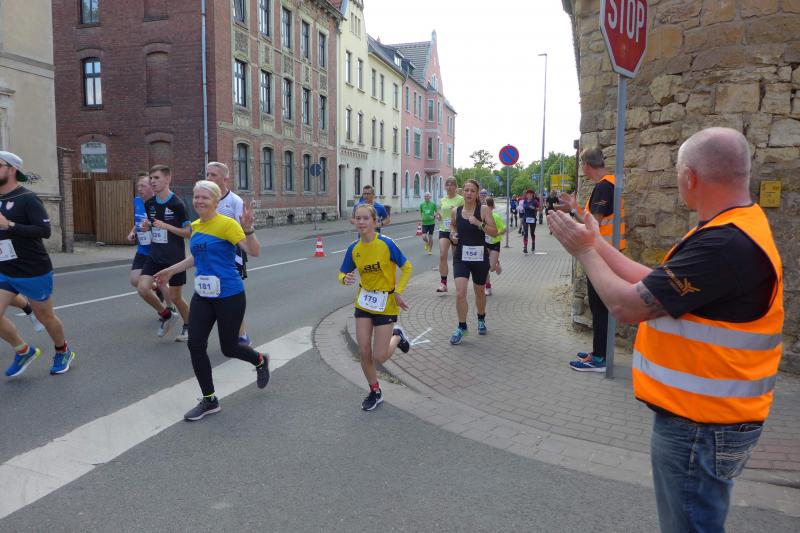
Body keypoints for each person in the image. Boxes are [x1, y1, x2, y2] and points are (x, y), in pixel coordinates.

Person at [549, 127, 783, 532]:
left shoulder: (723, 244)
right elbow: (655, 282)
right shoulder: (735, 228)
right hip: (708, 418)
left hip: (701, 426)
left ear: (690, 177)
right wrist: (598, 243)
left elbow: (626, 305)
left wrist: (584, 251)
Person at [154, 180, 268, 421]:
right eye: (196, 197)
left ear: (216, 201)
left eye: (205, 197)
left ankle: (259, 360)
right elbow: (196, 256)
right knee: (195, 344)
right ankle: (209, 399)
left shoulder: (227, 224)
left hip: (229, 295)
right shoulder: (196, 226)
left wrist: (248, 229)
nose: (199, 201)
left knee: (229, 348)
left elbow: (254, 251)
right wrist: (171, 270)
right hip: (203, 296)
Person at [0, 151, 76, 377]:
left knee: (45, 316)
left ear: (12, 169)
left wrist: (10, 225)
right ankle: (23, 351)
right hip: (5, 269)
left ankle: (63, 350)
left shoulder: (27, 198)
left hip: (32, 269)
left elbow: (44, 230)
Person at [339, 203, 412, 411]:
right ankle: (375, 391)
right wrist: (344, 279)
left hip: (386, 303)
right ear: (354, 221)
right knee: (363, 351)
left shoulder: (386, 244)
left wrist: (398, 291)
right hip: (364, 302)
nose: (361, 222)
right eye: (358, 218)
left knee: (379, 356)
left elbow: (407, 267)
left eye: (366, 218)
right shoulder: (354, 249)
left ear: (375, 221)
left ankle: (397, 336)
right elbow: (342, 273)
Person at [559, 147, 626, 371]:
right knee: (600, 306)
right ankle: (599, 352)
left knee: (599, 307)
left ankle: (599, 359)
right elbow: (593, 219)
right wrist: (574, 208)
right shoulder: (611, 184)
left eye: (581, 164)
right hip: (609, 253)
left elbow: (592, 225)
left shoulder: (604, 187)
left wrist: (570, 223)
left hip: (602, 255)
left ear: (586, 165)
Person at [138, 165, 192, 341]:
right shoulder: (149, 204)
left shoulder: (177, 204)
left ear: (168, 179)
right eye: (151, 178)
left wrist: (166, 226)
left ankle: (189, 326)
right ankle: (167, 314)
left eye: (157, 178)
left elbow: (188, 233)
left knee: (176, 297)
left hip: (174, 258)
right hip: (155, 255)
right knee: (142, 288)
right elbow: (154, 225)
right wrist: (147, 226)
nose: (153, 181)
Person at [205, 162, 252, 346]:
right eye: (207, 174)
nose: (209, 178)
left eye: (213, 175)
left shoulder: (235, 201)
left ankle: (242, 335)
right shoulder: (206, 200)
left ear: (225, 179)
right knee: (212, 293)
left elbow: (244, 231)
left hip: (233, 255)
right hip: (211, 255)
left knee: (231, 294)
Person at [448, 179, 497, 344]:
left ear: (477, 194)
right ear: (462, 192)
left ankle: (481, 319)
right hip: (461, 256)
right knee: (460, 293)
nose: (468, 193)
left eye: (472, 190)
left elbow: (494, 231)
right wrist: (452, 235)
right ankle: (462, 327)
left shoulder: (483, 210)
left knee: (480, 292)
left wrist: (479, 223)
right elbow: (452, 226)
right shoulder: (456, 211)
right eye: (466, 190)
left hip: (479, 257)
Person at [127, 173, 168, 311]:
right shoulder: (137, 201)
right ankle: (156, 288)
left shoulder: (158, 203)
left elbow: (163, 225)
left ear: (152, 187)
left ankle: (168, 308)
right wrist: (132, 232)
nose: (139, 189)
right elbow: (138, 221)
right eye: (138, 186)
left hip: (156, 250)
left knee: (159, 281)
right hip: (142, 249)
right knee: (134, 280)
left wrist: (150, 227)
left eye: (143, 186)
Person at [435, 177, 463, 293]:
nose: (449, 187)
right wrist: (438, 216)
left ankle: (459, 282)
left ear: (456, 187)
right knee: (442, 255)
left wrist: (457, 211)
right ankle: (443, 283)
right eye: (447, 184)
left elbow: (466, 213)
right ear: (445, 187)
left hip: (456, 230)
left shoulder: (461, 199)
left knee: (456, 257)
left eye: (452, 185)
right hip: (444, 229)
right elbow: (441, 213)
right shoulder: (443, 200)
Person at [483, 197, 505, 296]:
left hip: (495, 243)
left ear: (492, 207)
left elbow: (503, 229)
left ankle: (496, 263)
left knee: (491, 268)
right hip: (485, 243)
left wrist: (496, 233)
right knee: (484, 266)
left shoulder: (495, 216)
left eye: (487, 206)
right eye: (484, 206)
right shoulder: (482, 217)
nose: (485, 208)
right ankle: (488, 287)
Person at [520, 189, 540, 254]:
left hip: (532, 218)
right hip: (525, 218)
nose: (528, 195)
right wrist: (522, 209)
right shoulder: (525, 201)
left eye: (530, 194)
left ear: (532, 195)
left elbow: (540, 209)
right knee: (525, 233)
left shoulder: (535, 201)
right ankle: (525, 247)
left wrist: (534, 208)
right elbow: (523, 207)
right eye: (527, 194)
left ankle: (533, 243)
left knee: (532, 233)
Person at [418, 191, 436, 255]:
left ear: (430, 197)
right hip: (424, 223)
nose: (426, 197)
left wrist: (433, 216)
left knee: (430, 237)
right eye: (425, 196)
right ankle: (427, 243)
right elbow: (420, 212)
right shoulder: (422, 204)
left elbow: (437, 212)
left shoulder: (433, 204)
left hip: (431, 223)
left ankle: (430, 250)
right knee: (424, 237)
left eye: (427, 196)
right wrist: (421, 217)